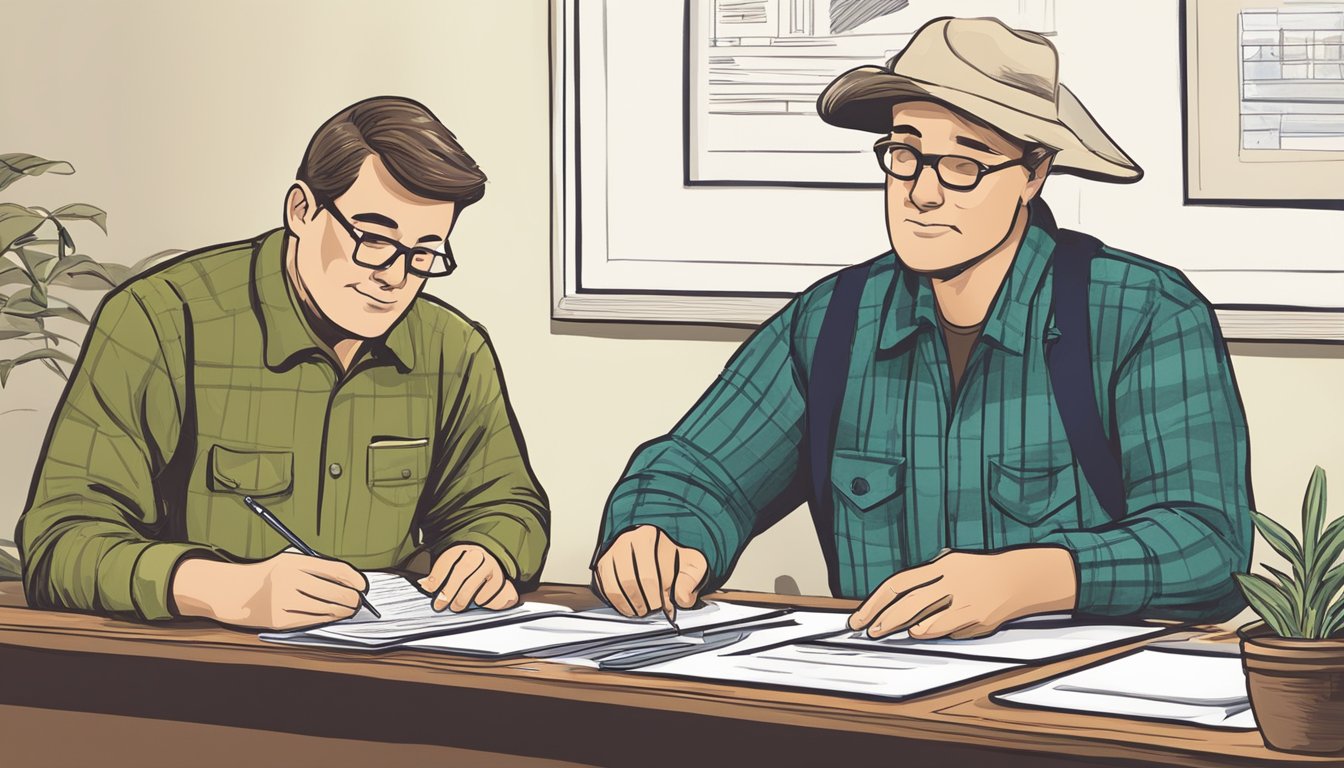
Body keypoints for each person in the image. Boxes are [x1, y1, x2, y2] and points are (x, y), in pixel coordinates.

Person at [590, 17, 1252, 640]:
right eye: (905, 154)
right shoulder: (830, 322)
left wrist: (1033, 578)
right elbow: (700, 470)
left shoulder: (1142, 313)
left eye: (964, 164)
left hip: (1079, 721)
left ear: (1034, 172)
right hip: (881, 709)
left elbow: (1208, 543)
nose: (924, 192)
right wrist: (657, 532)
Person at [17, 96, 550, 630]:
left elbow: (508, 505)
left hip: (396, 670)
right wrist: (221, 590)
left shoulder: (452, 348)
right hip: (199, 675)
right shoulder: (161, 319)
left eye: (424, 253)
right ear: (302, 210)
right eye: (373, 239)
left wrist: (486, 552)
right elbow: (61, 541)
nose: (394, 276)